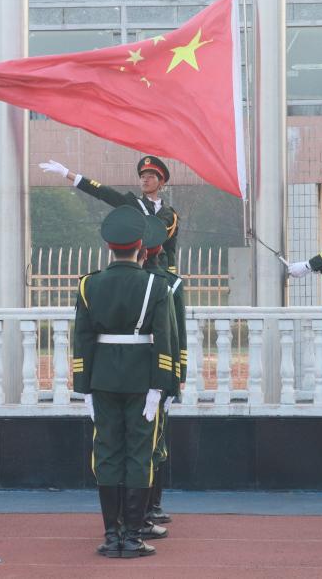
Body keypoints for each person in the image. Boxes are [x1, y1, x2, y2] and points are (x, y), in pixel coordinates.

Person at [73, 206, 177, 559]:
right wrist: (160, 386)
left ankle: (111, 535)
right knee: (139, 454)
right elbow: (165, 340)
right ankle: (132, 538)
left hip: (102, 379)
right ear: (141, 248)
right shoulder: (156, 285)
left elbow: (82, 339)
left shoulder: (89, 284)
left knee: (106, 453)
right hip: (142, 381)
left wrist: (83, 387)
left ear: (108, 247)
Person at [39, 155, 181, 272]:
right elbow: (103, 192)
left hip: (161, 271)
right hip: (137, 269)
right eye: (142, 176)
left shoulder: (170, 214)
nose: (145, 179)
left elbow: (170, 250)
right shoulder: (132, 203)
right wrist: (67, 174)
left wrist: (172, 276)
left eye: (150, 176)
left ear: (161, 182)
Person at [141, 215, 186, 528]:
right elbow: (176, 336)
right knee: (155, 443)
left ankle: (144, 508)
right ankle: (148, 509)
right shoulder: (169, 283)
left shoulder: (170, 283)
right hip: (159, 374)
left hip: (128, 374)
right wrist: (175, 379)